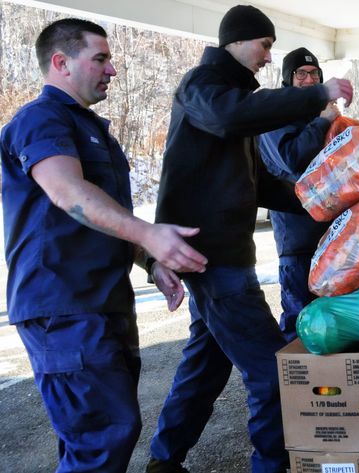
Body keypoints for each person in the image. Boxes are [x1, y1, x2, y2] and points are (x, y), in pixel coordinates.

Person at [146, 5, 353, 473]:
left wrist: (327, 205)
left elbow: (259, 184)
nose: (266, 56)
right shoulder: (203, 89)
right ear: (237, 41)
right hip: (214, 260)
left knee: (206, 366)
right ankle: (270, 465)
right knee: (275, 374)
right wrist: (317, 96)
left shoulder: (234, 105)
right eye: (264, 45)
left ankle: (164, 460)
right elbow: (229, 115)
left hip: (218, 257)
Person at [0, 18, 207, 473]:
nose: (112, 70)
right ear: (61, 63)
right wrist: (150, 234)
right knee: (102, 436)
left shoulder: (92, 129)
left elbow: (102, 215)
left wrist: (149, 260)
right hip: (63, 306)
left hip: (101, 303)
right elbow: (67, 193)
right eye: (100, 58)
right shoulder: (40, 119)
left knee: (96, 438)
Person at [258, 47, 338, 341]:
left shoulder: (319, 114)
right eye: (301, 74)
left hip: (332, 235)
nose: (308, 79)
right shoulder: (274, 115)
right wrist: (323, 122)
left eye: (314, 73)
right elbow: (292, 160)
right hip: (297, 240)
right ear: (288, 79)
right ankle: (293, 385)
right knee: (301, 323)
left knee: (331, 323)